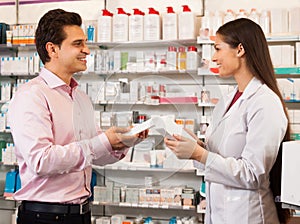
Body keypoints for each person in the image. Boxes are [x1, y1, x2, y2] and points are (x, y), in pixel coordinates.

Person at [8, 9, 147, 224]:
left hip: (80, 213)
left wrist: (123, 143)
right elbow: (41, 161)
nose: (87, 50)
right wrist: (101, 141)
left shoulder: (80, 97)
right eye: (78, 44)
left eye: (85, 43)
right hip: (45, 216)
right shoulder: (32, 95)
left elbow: (93, 155)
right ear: (52, 49)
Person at [165, 18, 291, 224]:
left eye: (217, 49)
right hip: (220, 213)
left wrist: (200, 154)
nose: (213, 58)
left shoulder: (265, 102)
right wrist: (197, 148)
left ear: (240, 49)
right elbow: (223, 154)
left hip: (249, 215)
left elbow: (254, 174)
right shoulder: (228, 99)